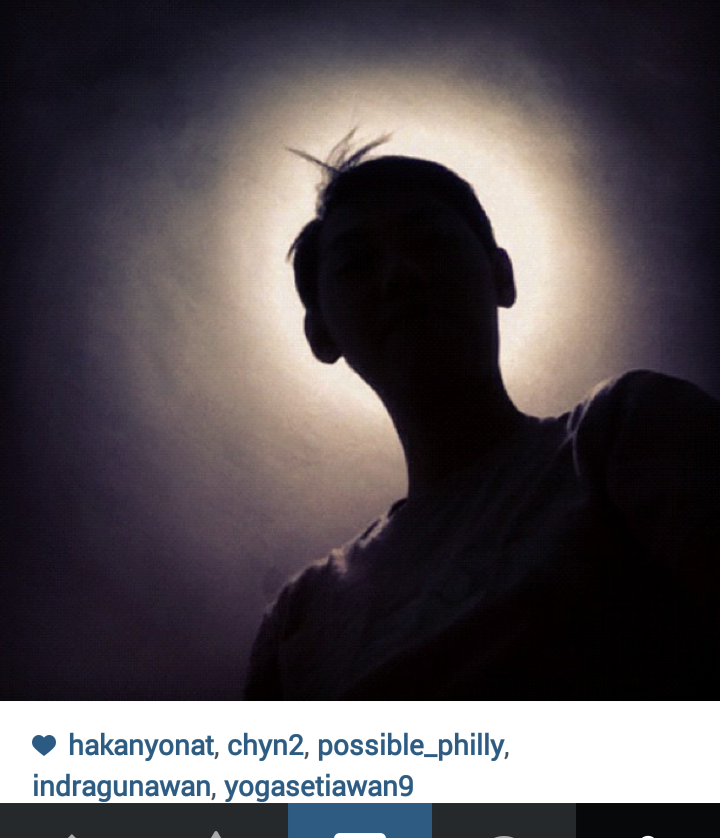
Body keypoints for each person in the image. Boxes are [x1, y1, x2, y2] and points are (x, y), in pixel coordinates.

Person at [245, 140, 718, 700]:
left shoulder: (622, 432)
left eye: (429, 241)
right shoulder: (300, 619)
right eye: (356, 265)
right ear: (321, 334)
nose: (399, 275)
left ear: (501, 277)